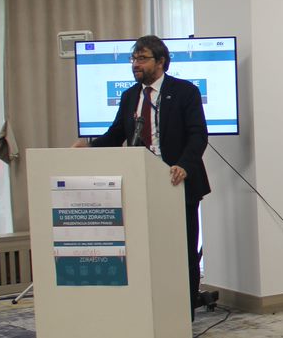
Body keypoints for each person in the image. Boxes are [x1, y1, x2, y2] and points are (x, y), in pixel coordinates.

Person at [73, 35, 210, 310]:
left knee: (182, 251)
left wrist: (184, 165)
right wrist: (89, 147)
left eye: (142, 58)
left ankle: (184, 314)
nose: (136, 64)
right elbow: (116, 135)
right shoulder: (130, 96)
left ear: (161, 62)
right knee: (146, 250)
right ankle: (150, 310)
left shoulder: (185, 92)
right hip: (140, 183)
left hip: (177, 182)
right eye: (134, 58)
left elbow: (198, 135)